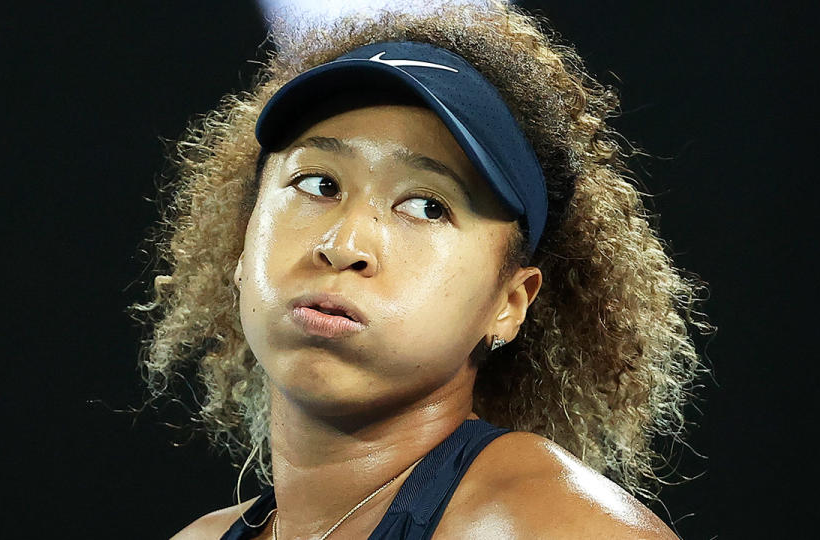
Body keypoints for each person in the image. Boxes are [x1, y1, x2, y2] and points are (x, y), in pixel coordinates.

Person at [132, 2, 712, 538]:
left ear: (509, 304)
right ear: (242, 247)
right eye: (318, 184)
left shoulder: (548, 526)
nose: (344, 245)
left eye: (427, 206)